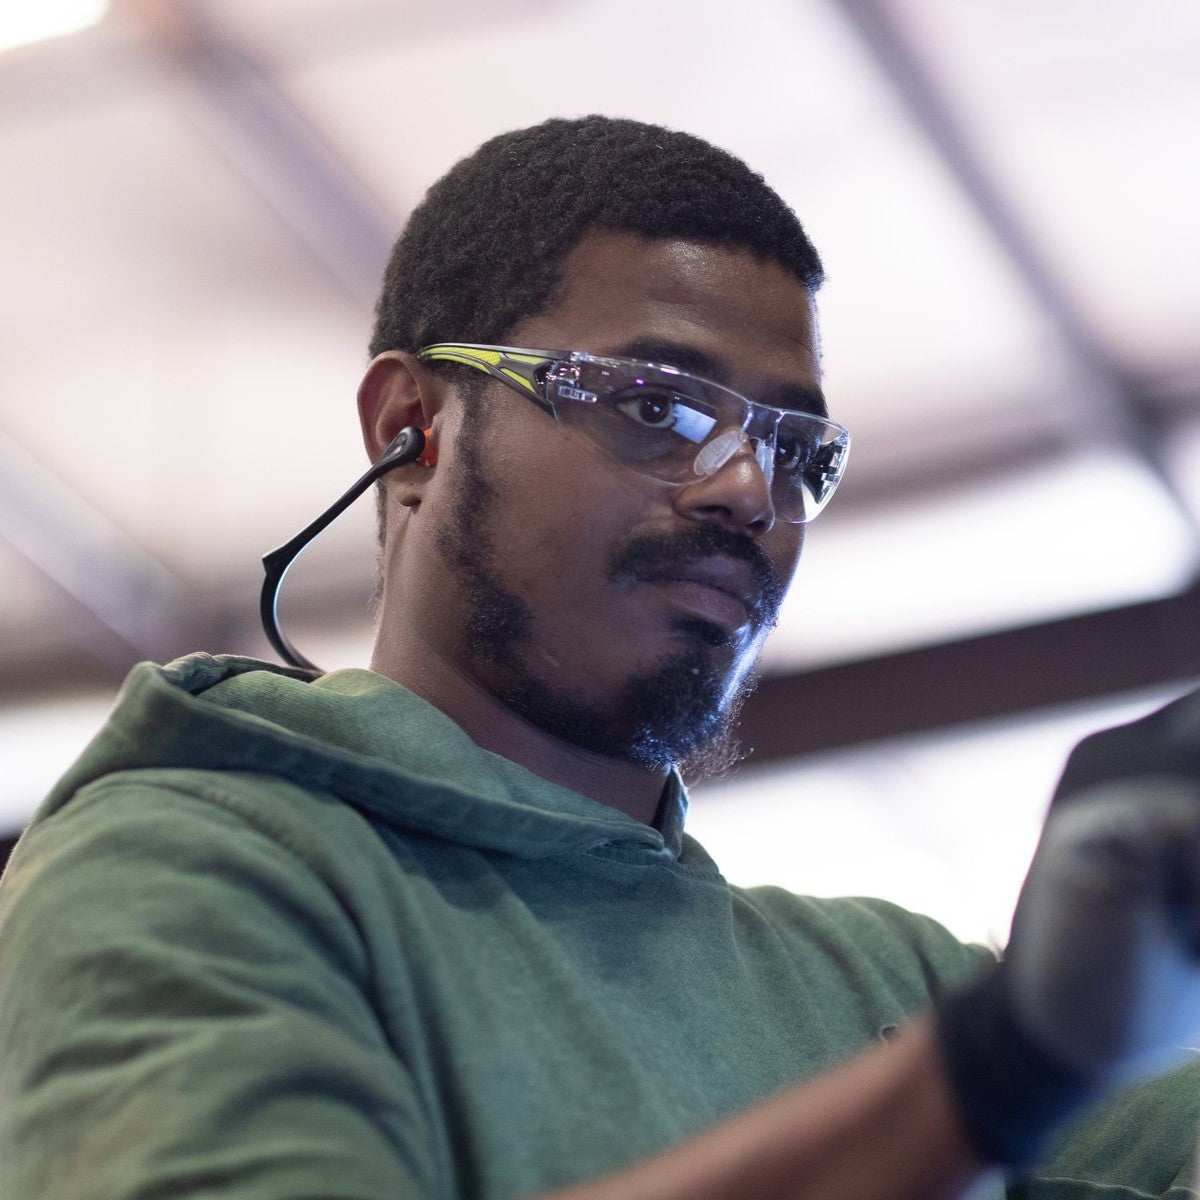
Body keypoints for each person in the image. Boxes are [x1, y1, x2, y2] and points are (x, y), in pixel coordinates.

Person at [0, 115, 1198, 1200]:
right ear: (411, 431)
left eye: (793, 449)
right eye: (657, 406)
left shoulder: (893, 986)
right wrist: (982, 1083)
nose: (747, 491)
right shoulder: (191, 865)